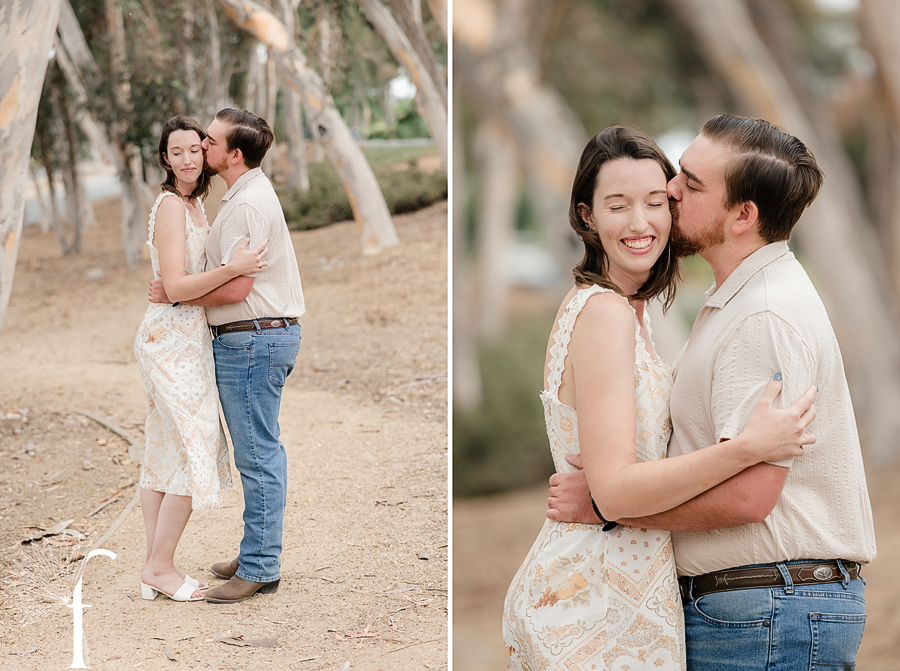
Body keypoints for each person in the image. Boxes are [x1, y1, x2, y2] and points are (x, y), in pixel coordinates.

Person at [546, 114, 877, 670]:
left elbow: (750, 497)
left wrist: (610, 507)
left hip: (767, 613)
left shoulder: (763, 314)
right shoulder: (732, 302)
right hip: (759, 608)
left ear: (743, 216)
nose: (671, 193)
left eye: (689, 184)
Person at [150, 108, 305, 604]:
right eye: (189, 146)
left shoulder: (245, 206)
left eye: (209, 143)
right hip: (253, 337)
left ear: (233, 155)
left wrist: (175, 294)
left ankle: (259, 566)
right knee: (256, 451)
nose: (202, 148)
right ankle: (255, 549)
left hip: (253, 336)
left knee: (257, 455)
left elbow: (238, 286)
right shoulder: (238, 196)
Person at [135, 116, 269, 603]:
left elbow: (177, 284)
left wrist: (179, 287)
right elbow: (175, 286)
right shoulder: (172, 206)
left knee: (166, 448)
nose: (189, 159)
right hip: (169, 339)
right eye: (178, 151)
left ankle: (153, 566)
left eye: (196, 149)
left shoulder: (195, 205)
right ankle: (162, 568)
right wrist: (232, 269)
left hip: (187, 333)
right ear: (165, 158)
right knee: (197, 443)